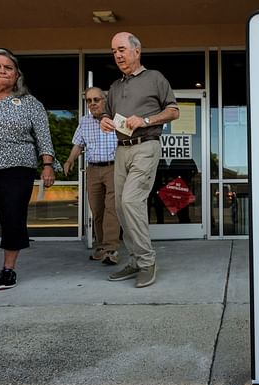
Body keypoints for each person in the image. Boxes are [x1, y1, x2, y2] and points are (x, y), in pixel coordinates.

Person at [0, 47, 60, 290]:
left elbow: (44, 137)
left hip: (16, 167)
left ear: (17, 75)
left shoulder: (29, 103)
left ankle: (8, 270)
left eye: (9, 68)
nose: (3, 71)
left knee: (12, 219)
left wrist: (47, 165)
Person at [100, 32, 180, 288]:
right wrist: (104, 120)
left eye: (122, 49)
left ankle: (147, 262)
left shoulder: (155, 78)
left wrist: (145, 120)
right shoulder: (114, 87)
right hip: (121, 148)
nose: (118, 55)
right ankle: (135, 260)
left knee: (131, 201)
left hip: (146, 146)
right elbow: (108, 115)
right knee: (121, 208)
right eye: (114, 51)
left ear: (137, 50)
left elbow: (174, 111)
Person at [63, 87, 120, 265]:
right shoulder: (85, 121)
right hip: (93, 170)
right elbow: (78, 144)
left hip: (113, 168)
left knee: (112, 209)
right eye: (89, 100)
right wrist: (70, 160)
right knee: (97, 210)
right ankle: (102, 246)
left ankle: (111, 249)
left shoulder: (116, 119)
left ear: (105, 100)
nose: (93, 103)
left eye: (97, 99)